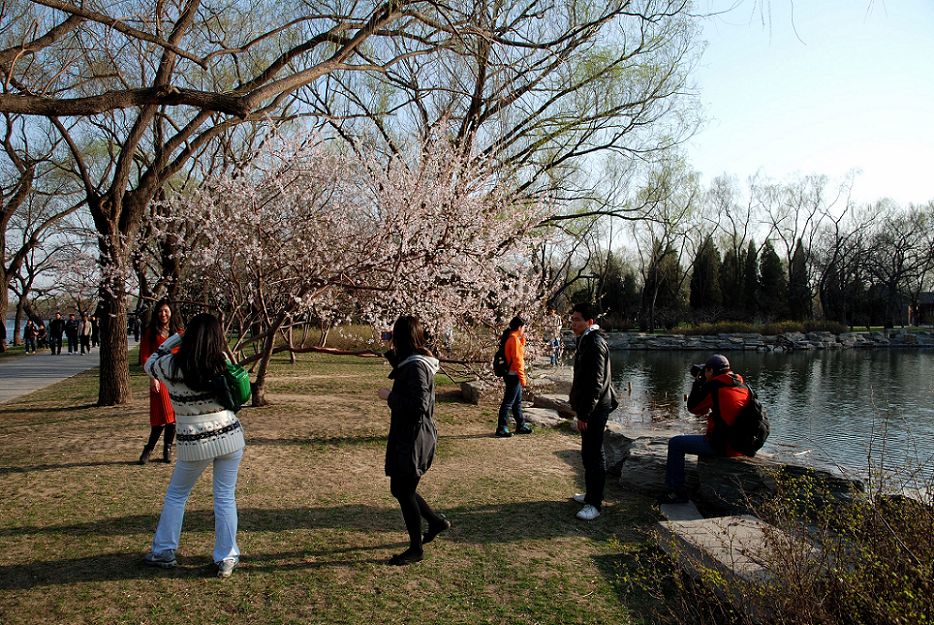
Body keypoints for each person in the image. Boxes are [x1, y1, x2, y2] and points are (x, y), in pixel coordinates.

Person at [142, 312, 246, 578]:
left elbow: (150, 362)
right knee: (224, 496)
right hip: (229, 435)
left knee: (178, 494)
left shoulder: (169, 366)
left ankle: (164, 550)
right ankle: (226, 556)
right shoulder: (219, 362)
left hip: (194, 440)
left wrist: (176, 337)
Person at [377, 315, 450, 565]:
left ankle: (416, 549)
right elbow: (405, 370)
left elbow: (418, 404)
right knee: (403, 488)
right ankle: (436, 522)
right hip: (411, 435)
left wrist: (389, 397)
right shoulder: (414, 362)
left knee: (403, 490)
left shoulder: (417, 366)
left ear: (401, 337)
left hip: (414, 437)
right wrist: (390, 353)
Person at [659, 354, 751, 504]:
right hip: (742, 444)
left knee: (676, 444)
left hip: (724, 446)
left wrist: (698, 383)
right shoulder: (740, 384)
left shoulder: (715, 387)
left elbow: (694, 409)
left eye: (705, 371)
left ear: (710, 371)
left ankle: (675, 492)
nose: (704, 374)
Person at [568, 302, 618, 521]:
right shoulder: (586, 340)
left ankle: (595, 504)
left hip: (596, 408)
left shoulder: (595, 343)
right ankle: (590, 494)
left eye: (576, 319)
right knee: (589, 453)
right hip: (592, 407)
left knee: (594, 454)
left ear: (589, 322)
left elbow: (595, 383)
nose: (572, 323)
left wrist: (585, 413)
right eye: (571, 319)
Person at [138, 301, 182, 464]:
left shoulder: (178, 333)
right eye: (160, 311)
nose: (163, 314)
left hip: (174, 379)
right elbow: (145, 356)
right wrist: (152, 377)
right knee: (159, 417)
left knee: (173, 416)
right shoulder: (150, 333)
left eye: (166, 311)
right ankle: (148, 449)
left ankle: (167, 449)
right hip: (158, 378)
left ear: (171, 312)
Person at [495, 316, 533, 437]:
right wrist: (523, 379)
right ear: (520, 327)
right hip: (513, 375)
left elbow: (517, 353)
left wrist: (522, 340)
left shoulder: (512, 338)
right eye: (524, 328)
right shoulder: (513, 339)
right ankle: (501, 428)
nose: (524, 330)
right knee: (508, 403)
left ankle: (520, 425)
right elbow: (517, 360)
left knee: (516, 402)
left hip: (511, 374)